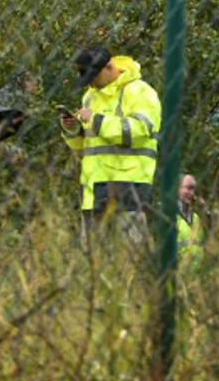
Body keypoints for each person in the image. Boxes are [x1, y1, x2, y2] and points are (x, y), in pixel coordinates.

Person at [60, 46, 161, 248]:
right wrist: (72, 130)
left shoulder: (140, 91)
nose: (91, 83)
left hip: (129, 185)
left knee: (130, 256)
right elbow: (86, 146)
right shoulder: (90, 96)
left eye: (93, 77)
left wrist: (96, 121)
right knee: (92, 261)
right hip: (94, 188)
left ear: (109, 67)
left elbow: (140, 130)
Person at [177, 173, 203, 269]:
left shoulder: (196, 218)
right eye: (188, 188)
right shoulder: (169, 216)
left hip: (195, 275)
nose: (191, 193)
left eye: (193, 189)